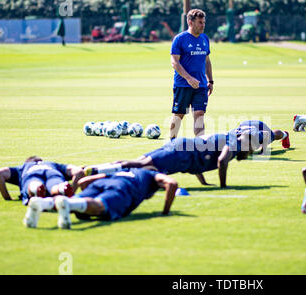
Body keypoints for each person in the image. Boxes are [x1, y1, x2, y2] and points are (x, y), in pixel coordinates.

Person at [83, 131, 260, 188]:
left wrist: (203, 182)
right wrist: (223, 187)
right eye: (252, 146)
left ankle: (98, 171)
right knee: (141, 166)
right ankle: (97, 170)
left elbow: (199, 161)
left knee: (142, 164)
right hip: (180, 153)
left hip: (180, 147)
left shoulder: (228, 139)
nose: (252, 150)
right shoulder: (234, 143)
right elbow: (221, 161)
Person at [24, 168, 178, 229]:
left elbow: (84, 181)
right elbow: (172, 183)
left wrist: (88, 192)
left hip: (102, 182)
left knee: (75, 203)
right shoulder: (151, 175)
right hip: (124, 188)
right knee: (100, 205)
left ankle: (42, 203)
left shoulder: (125, 170)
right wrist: (165, 211)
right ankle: (70, 203)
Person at [169, 9, 213, 139]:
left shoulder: (205, 38)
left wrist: (210, 81)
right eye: (200, 22)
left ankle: (200, 145)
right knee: (179, 115)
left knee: (199, 114)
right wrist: (188, 78)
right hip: (183, 84)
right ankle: (172, 144)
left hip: (201, 85)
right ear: (190, 22)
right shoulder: (179, 39)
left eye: (204, 22)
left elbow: (207, 61)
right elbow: (174, 62)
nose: (203, 25)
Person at [0, 156, 84, 205]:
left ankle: (36, 188)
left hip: (31, 175)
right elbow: (78, 171)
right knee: (55, 186)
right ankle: (62, 189)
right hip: (53, 173)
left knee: (33, 183)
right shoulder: (51, 164)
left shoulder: (23, 167)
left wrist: (7, 198)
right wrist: (73, 190)